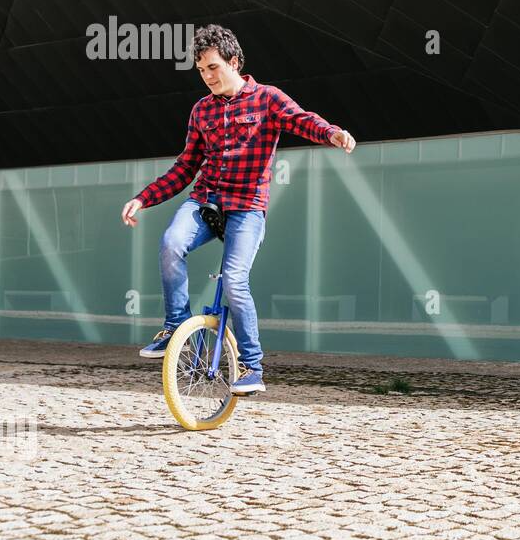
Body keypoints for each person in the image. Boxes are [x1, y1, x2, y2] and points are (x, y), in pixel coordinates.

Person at [119, 25, 355, 394]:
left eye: (213, 68)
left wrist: (331, 133)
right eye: (201, 71)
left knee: (234, 280)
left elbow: (302, 119)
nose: (207, 77)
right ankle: (176, 329)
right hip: (205, 201)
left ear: (233, 62)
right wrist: (143, 198)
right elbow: (184, 167)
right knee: (170, 244)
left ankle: (251, 366)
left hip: (246, 208)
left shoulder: (267, 99)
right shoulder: (202, 111)